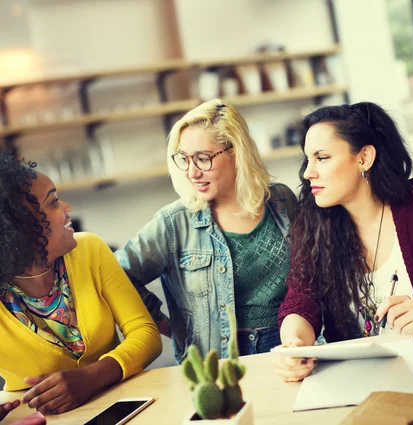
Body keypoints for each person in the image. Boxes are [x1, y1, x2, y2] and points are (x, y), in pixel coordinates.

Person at [274, 102, 413, 382]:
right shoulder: (312, 223)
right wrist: (294, 345)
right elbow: (300, 302)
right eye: (308, 159)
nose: (308, 172)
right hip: (359, 380)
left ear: (364, 157)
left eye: (323, 157)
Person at [116, 99, 298, 362]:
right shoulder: (173, 223)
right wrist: (170, 326)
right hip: (220, 364)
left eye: (202, 158)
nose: (192, 172)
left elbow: (311, 276)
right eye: (184, 159)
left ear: (237, 151)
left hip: (290, 348)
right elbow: (116, 276)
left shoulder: (280, 200)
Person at [0, 152, 161, 418]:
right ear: (21, 227)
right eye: (53, 202)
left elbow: (146, 334)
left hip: (123, 406)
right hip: (38, 418)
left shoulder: (90, 250)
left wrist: (90, 378)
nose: (66, 207)